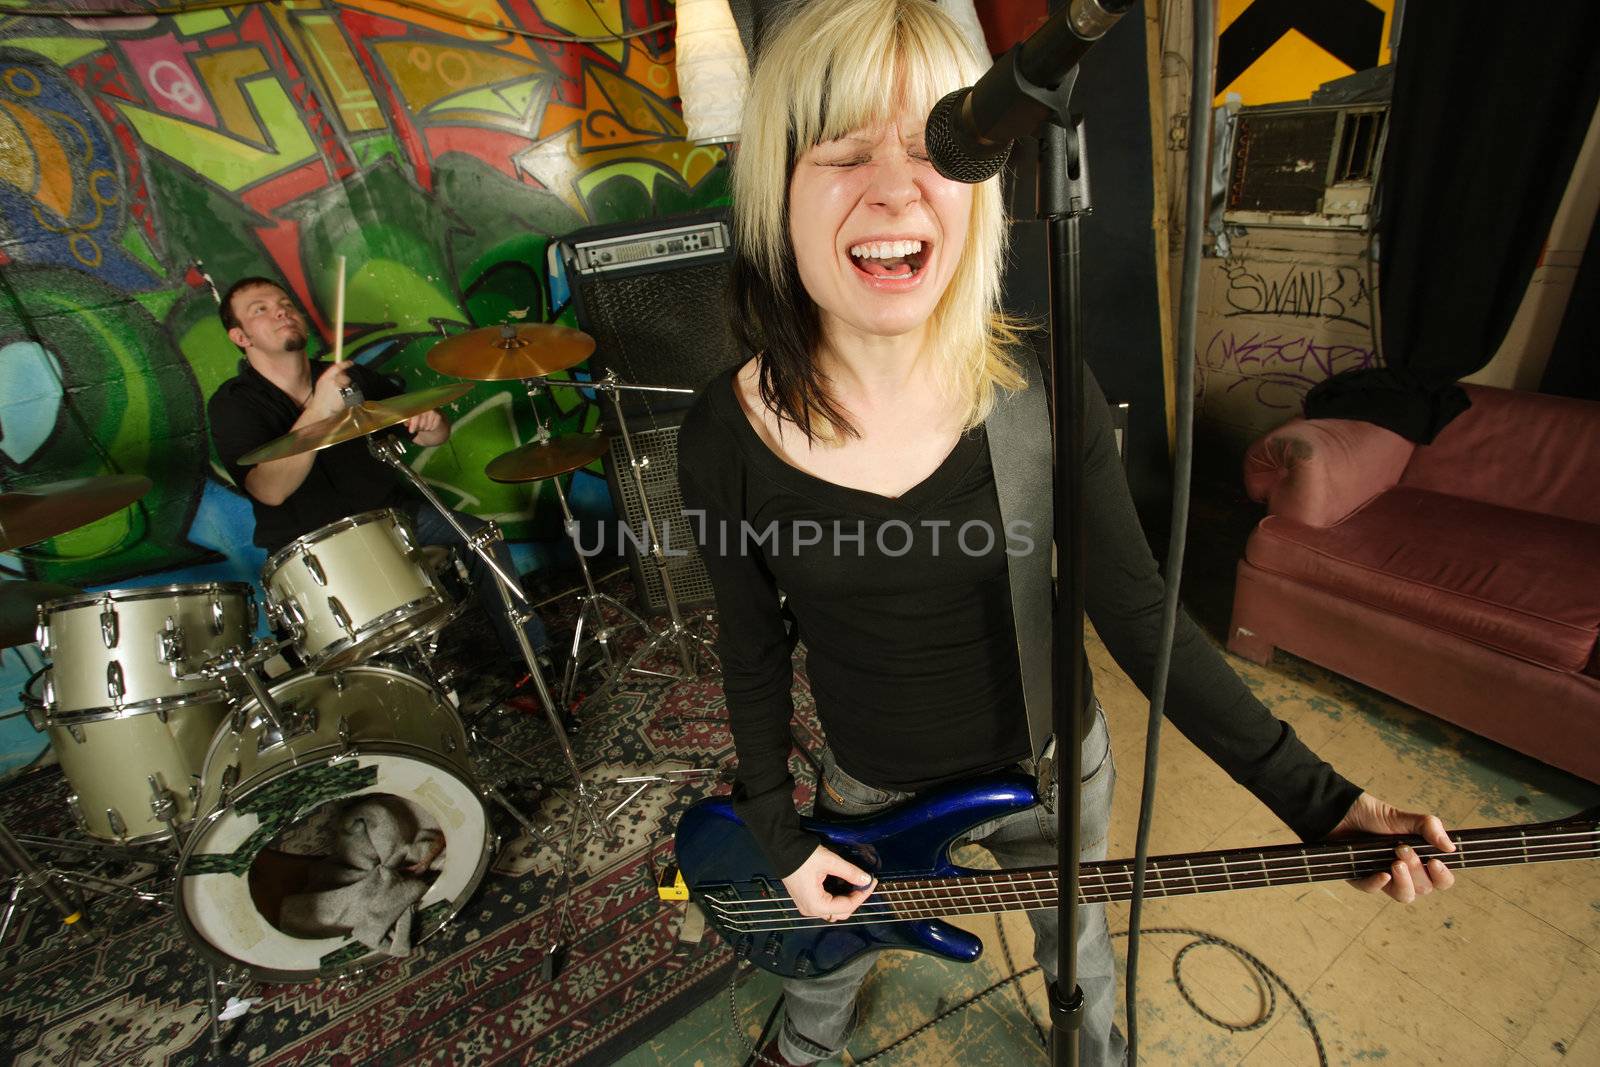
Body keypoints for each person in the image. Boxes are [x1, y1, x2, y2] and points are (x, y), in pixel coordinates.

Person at [675, 2, 1455, 1065]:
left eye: (939, 143)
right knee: (835, 935)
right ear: (775, 184)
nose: (896, 187)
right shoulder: (725, 429)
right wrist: (775, 826)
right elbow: (750, 640)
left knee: (1076, 946)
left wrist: (1321, 803)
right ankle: (809, 1031)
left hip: (1050, 768)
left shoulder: (1039, 390)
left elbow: (1140, 616)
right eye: (844, 150)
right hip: (865, 779)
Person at [208, 276, 550, 667]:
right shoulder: (233, 405)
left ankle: (532, 657)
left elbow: (432, 436)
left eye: (285, 303)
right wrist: (319, 410)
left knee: (481, 538)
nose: (281, 311)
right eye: (261, 309)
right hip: (314, 545)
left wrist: (431, 422)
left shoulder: (349, 379)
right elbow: (268, 491)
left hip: (391, 517)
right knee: (379, 652)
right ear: (241, 337)